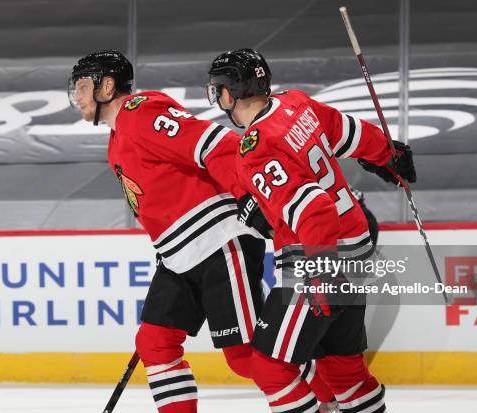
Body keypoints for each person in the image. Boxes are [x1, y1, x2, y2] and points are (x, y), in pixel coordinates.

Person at [207, 48, 416, 413]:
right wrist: (386, 153)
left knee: (269, 366)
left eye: (218, 90)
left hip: (319, 264)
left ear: (229, 93)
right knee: (343, 371)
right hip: (356, 253)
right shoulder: (296, 103)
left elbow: (315, 209)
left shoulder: (255, 148)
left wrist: (318, 276)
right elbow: (345, 130)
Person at [68, 50, 269, 413]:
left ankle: (326, 393)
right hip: (181, 255)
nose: (76, 97)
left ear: (107, 85)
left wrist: (248, 196)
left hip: (218, 241)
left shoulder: (140, 112)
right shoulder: (116, 139)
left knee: (245, 355)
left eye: (83, 86)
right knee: (155, 343)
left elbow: (216, 144)